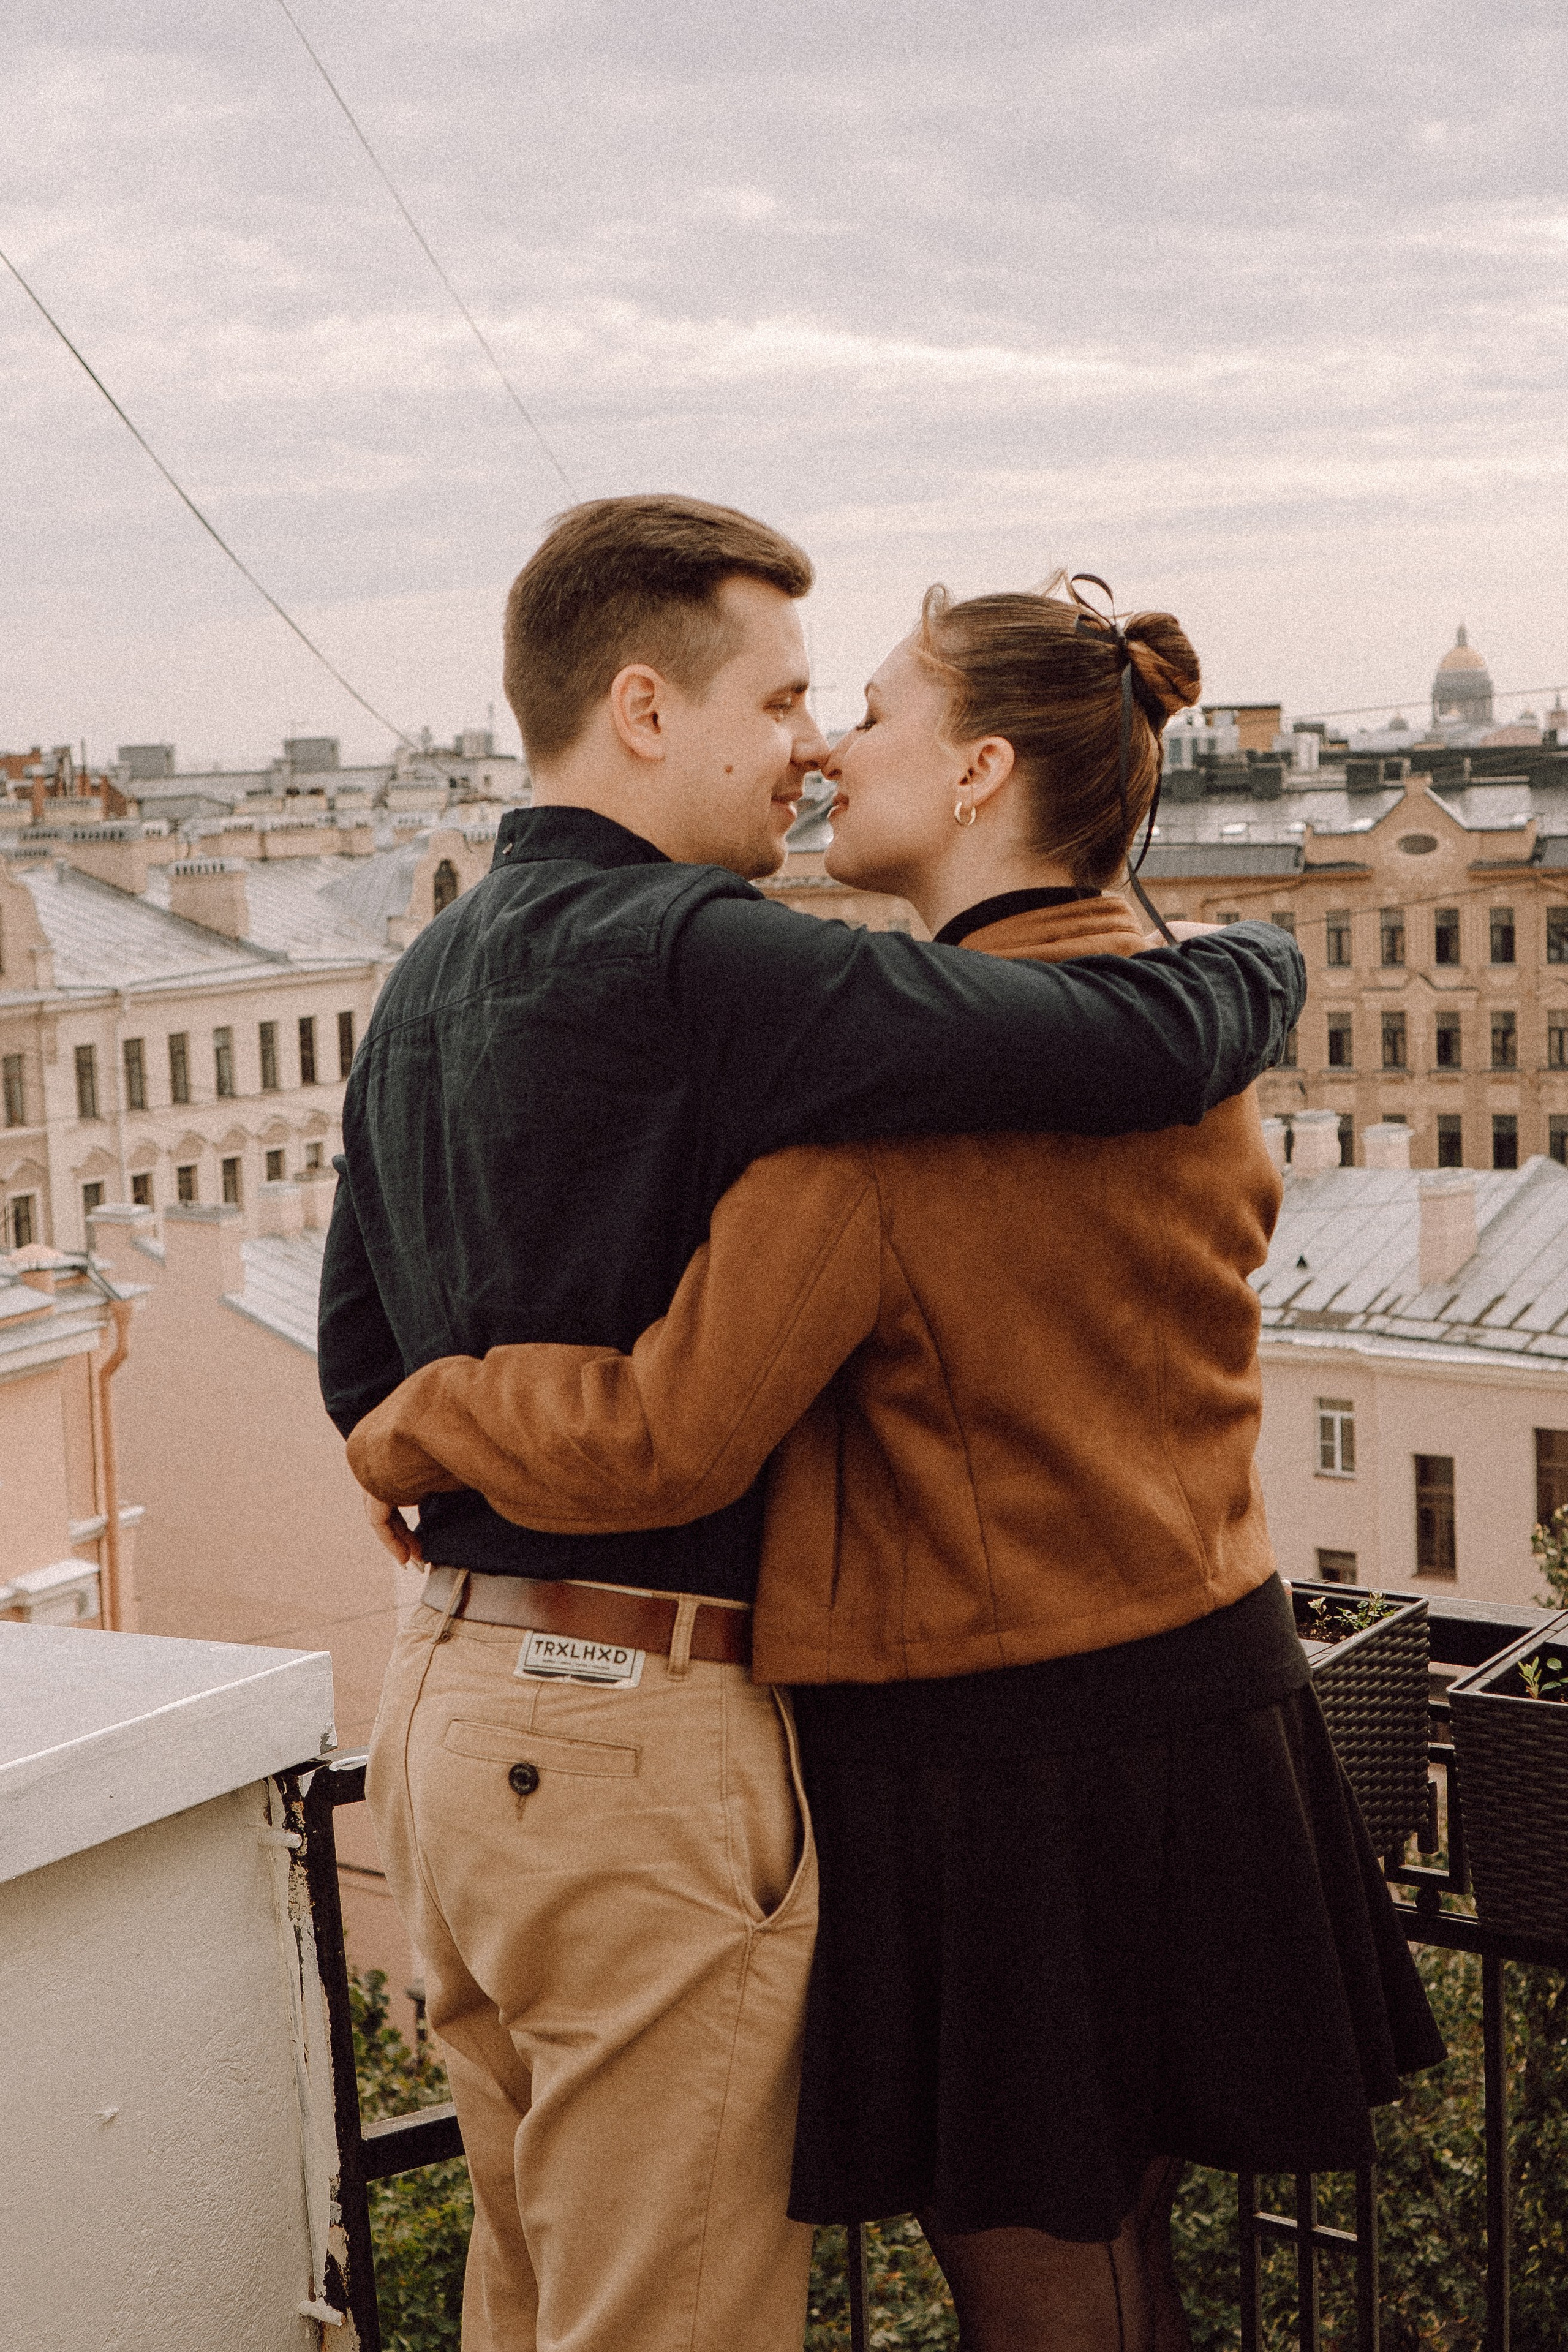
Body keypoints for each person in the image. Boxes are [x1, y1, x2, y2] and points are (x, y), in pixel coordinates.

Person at [347, 571, 1441, 2352]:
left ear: (982, 769)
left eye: (866, 713)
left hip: (996, 1755)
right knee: (1120, 2251)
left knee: (1034, 2283)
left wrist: (420, 1418)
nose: (830, 752)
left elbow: (667, 1432)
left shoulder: (880, 1123)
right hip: (1216, 1700)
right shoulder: (1181, 1058)